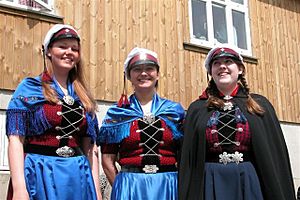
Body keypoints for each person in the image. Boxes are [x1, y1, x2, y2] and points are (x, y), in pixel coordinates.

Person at [178, 44, 296, 200]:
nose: (222, 67)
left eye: (228, 62)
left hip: (248, 180)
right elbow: (188, 158)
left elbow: (273, 157)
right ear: (210, 72)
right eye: (216, 63)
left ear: (240, 69)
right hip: (211, 181)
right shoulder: (197, 108)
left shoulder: (259, 104)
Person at [6, 24, 102, 200]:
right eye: (62, 46)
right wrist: (19, 188)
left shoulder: (84, 96)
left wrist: (96, 190)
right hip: (40, 171)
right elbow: (15, 140)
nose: (69, 52)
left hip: (77, 175)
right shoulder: (29, 89)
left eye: (74, 49)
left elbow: (90, 148)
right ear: (49, 51)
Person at [98, 47, 185, 200]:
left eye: (149, 68)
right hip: (131, 185)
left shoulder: (174, 111)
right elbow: (107, 160)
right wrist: (121, 187)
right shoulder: (118, 113)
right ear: (129, 76)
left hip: (167, 185)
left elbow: (184, 155)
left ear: (157, 74)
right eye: (137, 69)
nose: (143, 73)